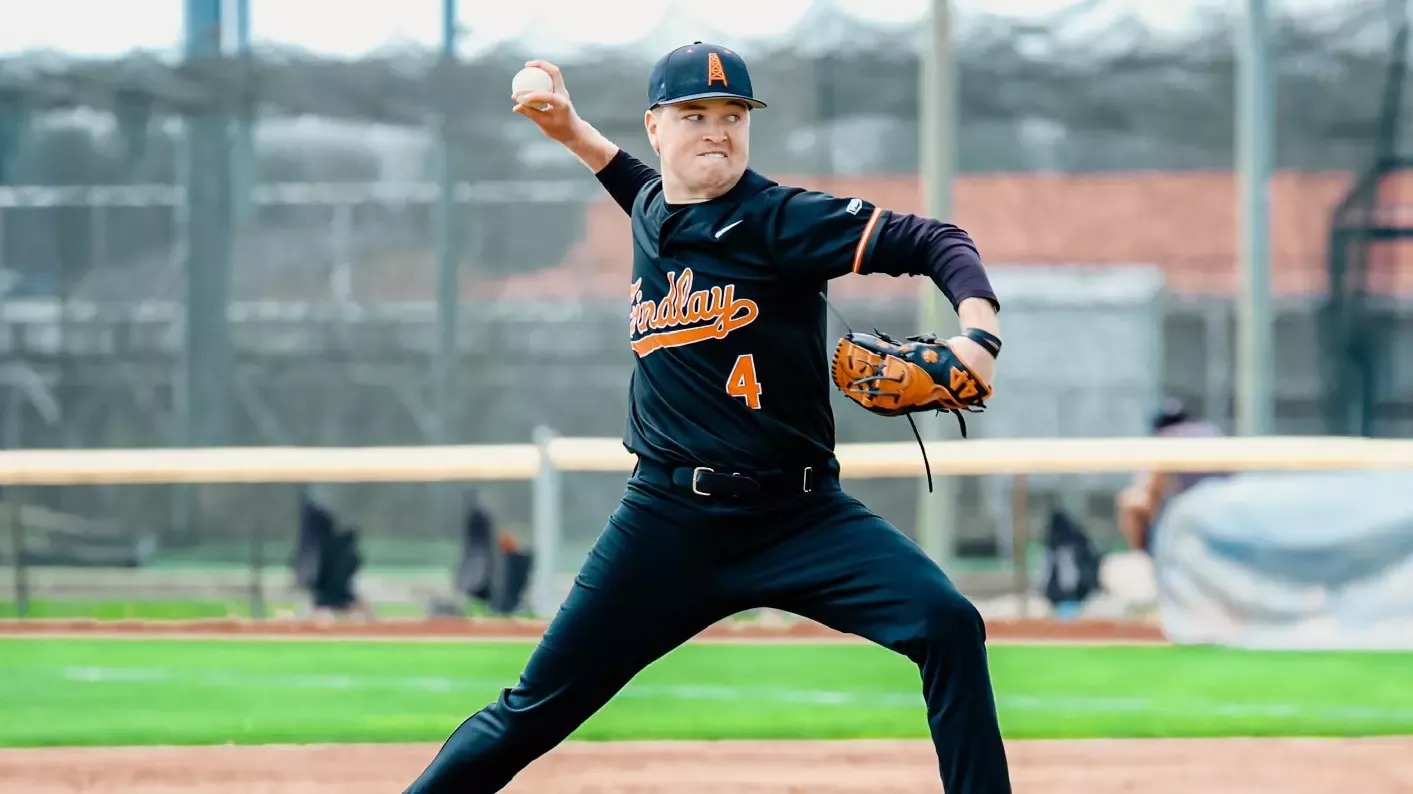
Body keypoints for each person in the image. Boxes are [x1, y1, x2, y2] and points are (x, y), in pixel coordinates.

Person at [403, 43, 1011, 793]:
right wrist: (568, 130)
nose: (716, 131)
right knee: (531, 710)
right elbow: (626, 177)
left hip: (802, 517)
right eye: (694, 115)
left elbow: (936, 241)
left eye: (732, 115)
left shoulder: (778, 219)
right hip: (666, 521)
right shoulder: (655, 208)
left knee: (948, 624)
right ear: (656, 128)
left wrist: (977, 336)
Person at [1115, 398, 1227, 554]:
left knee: (1132, 501)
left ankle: (1142, 557)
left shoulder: (1165, 440)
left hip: (1192, 514)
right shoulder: (1212, 432)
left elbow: (1145, 491)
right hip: (1225, 512)